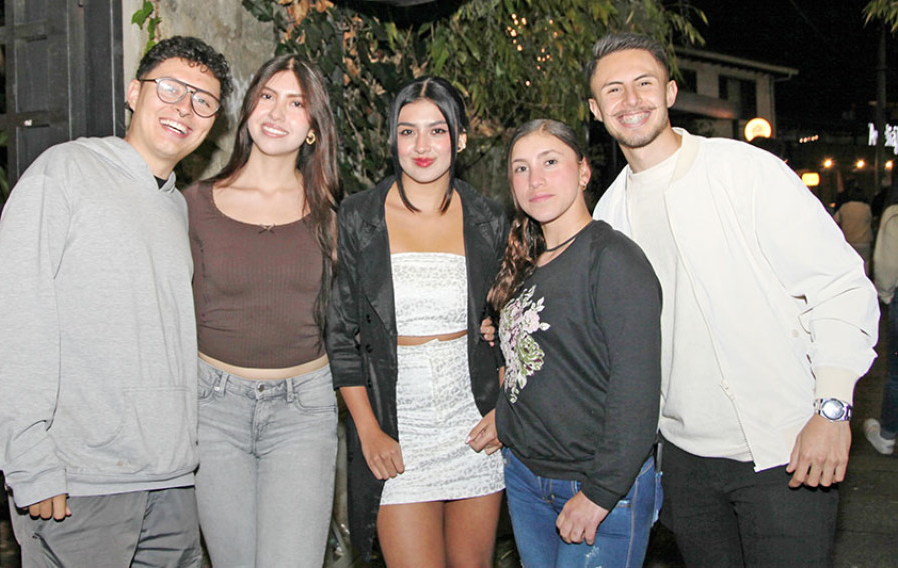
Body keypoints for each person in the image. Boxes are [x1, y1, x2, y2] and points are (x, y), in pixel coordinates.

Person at [587, 32, 879, 567]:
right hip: (683, 462)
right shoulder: (608, 215)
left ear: (670, 92)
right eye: (613, 90)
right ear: (595, 109)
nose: (630, 100)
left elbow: (838, 285)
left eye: (643, 83)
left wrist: (833, 410)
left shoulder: (744, 171)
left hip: (784, 447)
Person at [0, 36, 232, 566]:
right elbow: (13, 317)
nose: (185, 108)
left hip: (171, 483)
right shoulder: (65, 171)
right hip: (82, 485)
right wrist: (30, 461)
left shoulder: (175, 208)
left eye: (203, 100)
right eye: (170, 89)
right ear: (134, 93)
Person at [326, 76, 508, 566]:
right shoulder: (359, 216)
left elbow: (511, 325)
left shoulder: (489, 219)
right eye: (408, 132)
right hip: (396, 426)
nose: (421, 146)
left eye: (437, 131)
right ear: (393, 139)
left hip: (474, 426)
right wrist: (368, 431)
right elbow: (341, 336)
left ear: (460, 139)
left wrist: (504, 409)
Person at [185, 54, 341, 567]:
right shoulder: (194, 204)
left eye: (296, 103)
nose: (277, 113)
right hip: (213, 410)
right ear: (248, 107)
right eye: (268, 96)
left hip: (303, 412)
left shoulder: (333, 214)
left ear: (313, 126)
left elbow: (367, 307)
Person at [488, 119, 662, 567]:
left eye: (550, 162)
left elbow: (637, 392)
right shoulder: (526, 261)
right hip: (526, 478)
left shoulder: (613, 258)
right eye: (521, 168)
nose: (535, 180)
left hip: (596, 486)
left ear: (583, 172)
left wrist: (600, 492)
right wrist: (506, 417)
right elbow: (536, 359)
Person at [866, 191, 898, 454]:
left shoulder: (894, 214)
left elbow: (887, 264)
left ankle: (887, 435)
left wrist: (886, 294)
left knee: (896, 373)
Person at [834, 181, 873, 275]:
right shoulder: (866, 208)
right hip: (864, 241)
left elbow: (835, 220)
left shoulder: (844, 207)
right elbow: (870, 220)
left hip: (849, 241)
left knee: (850, 265)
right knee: (865, 264)